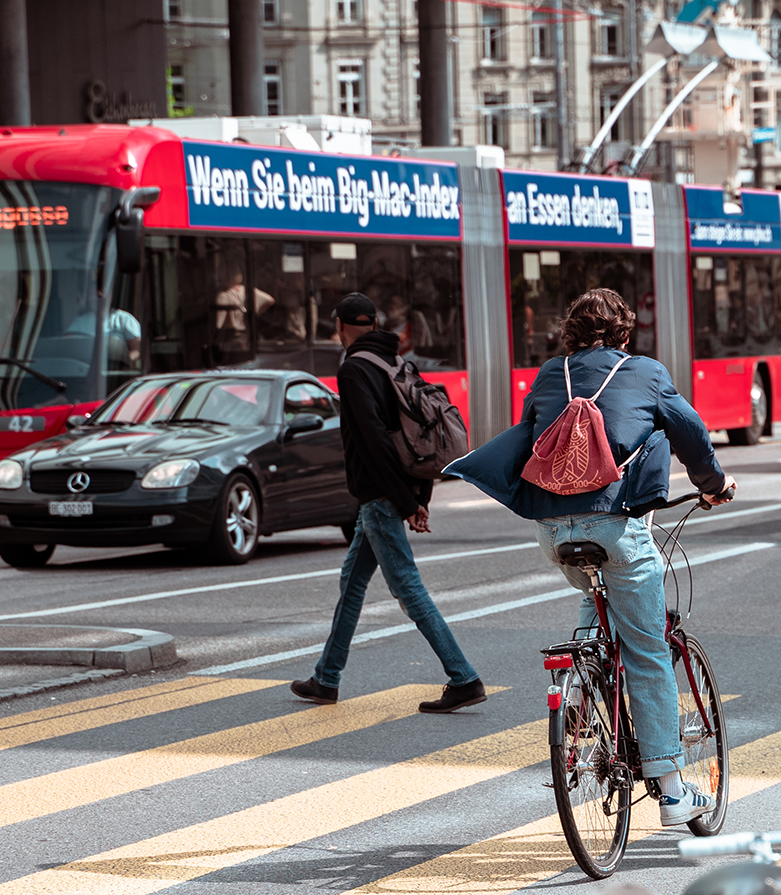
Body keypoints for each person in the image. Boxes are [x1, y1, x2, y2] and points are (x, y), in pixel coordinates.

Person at [448, 288, 736, 828]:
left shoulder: (548, 375)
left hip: (552, 531)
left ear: (569, 335)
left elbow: (534, 434)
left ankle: (580, 685)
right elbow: (691, 435)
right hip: (616, 525)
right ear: (625, 335)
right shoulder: (646, 372)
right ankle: (673, 790)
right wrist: (713, 483)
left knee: (593, 588)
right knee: (647, 649)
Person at [289, 293, 483, 711]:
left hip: (378, 496)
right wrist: (419, 495)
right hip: (387, 495)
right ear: (375, 324)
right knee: (352, 581)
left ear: (341, 327)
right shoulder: (398, 363)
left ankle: (463, 677)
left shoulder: (354, 369)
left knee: (408, 588)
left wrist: (403, 501)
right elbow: (420, 433)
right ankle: (326, 678)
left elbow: (375, 441)